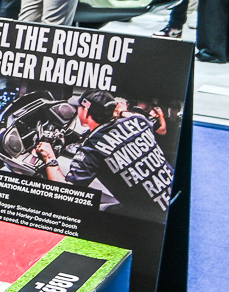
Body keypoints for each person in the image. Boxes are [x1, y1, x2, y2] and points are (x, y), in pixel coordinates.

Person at [34, 90, 172, 219]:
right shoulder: (138, 120)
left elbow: (66, 194)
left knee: (92, 214)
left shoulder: (93, 147)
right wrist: (120, 112)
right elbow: (135, 117)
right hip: (171, 194)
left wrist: (49, 157)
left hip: (155, 215)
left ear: (86, 111)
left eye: (79, 107)